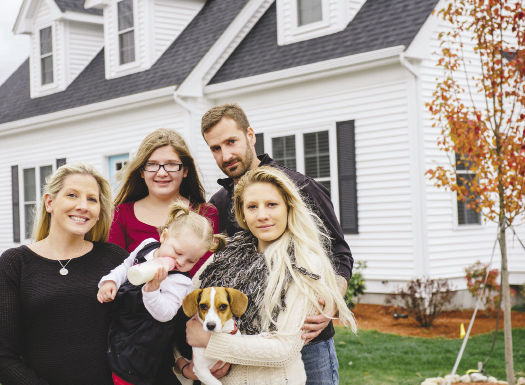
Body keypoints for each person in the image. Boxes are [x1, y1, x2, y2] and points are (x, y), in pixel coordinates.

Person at [201, 103, 353, 384]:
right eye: (215, 148)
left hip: (310, 340)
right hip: (248, 346)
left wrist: (332, 299)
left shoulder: (300, 187)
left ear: (250, 135)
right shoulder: (218, 205)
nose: (226, 155)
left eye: (231, 142)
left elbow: (340, 253)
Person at [180, 166, 357, 384]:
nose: (262, 215)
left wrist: (211, 342)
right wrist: (183, 364)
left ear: (288, 207)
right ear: (242, 212)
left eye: (272, 204)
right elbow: (181, 310)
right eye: (252, 206)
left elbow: (284, 349)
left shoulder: (304, 263)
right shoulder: (225, 253)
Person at [0, 162, 129, 385]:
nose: (83, 206)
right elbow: (0, 357)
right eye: (72, 195)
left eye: (92, 199)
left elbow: (138, 329)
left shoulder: (115, 260)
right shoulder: (16, 263)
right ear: (50, 202)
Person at [97, 201, 226, 385]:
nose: (181, 262)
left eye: (191, 260)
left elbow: (166, 314)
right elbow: (126, 266)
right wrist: (110, 281)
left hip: (143, 340)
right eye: (178, 252)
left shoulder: (181, 281)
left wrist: (153, 290)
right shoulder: (147, 245)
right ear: (164, 236)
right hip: (121, 324)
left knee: (126, 376)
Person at [109, 128, 218, 277]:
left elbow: (209, 274)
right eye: (152, 164)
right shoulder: (121, 215)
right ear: (142, 171)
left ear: (185, 170)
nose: (161, 173)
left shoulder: (206, 214)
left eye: (171, 164)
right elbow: (115, 273)